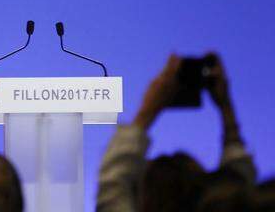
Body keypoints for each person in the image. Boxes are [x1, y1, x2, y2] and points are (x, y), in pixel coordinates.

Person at [96, 53, 255, 212]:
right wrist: (226, 106)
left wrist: (148, 108)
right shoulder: (237, 199)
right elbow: (240, 182)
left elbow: (113, 182)